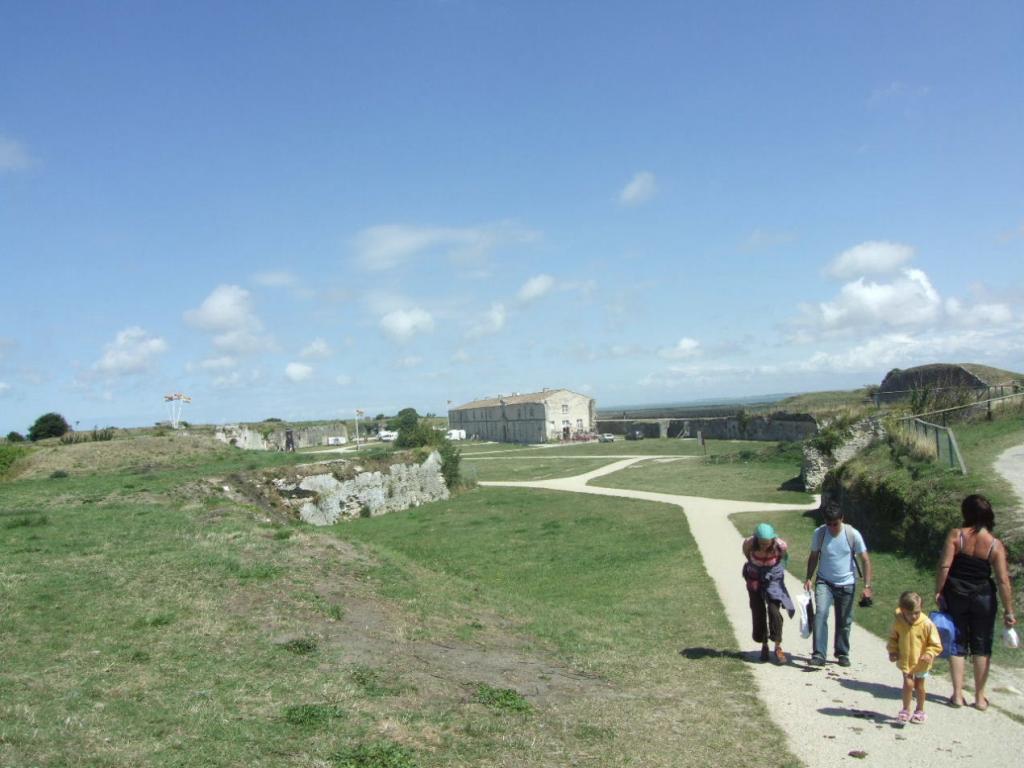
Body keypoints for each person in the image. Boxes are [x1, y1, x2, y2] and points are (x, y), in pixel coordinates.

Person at [935, 494, 1018, 710]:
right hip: (983, 596)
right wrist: (1009, 610)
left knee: (958, 641)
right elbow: (1002, 580)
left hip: (956, 593)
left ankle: (956, 694)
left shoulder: (956, 535)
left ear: (966, 513)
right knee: (982, 645)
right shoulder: (995, 545)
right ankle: (980, 697)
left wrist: (939, 591)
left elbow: (945, 566)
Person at [804, 500, 873, 667]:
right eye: (829, 524)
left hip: (847, 583)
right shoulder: (820, 533)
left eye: (835, 524)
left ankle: (842, 653)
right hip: (824, 581)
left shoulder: (852, 534)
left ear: (842, 518)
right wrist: (808, 578)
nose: (833, 527)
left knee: (844, 621)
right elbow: (814, 556)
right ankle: (819, 654)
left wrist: (867, 586)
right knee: (820, 614)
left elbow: (865, 560)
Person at [887, 591, 943, 724]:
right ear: (902, 610)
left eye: (917, 612)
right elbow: (893, 639)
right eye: (909, 613)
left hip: (921, 662)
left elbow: (935, 644)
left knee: (919, 686)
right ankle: (905, 709)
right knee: (907, 684)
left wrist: (929, 653)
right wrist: (893, 651)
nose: (913, 616)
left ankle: (920, 710)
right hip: (906, 659)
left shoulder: (927, 624)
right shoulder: (899, 623)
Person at [742, 523, 794, 663]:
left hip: (773, 577)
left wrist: (777, 573)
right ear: (756, 539)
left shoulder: (780, 545)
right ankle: (764, 644)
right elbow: (746, 553)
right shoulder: (749, 543)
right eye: (762, 543)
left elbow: (784, 559)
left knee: (774, 611)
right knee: (758, 611)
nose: (765, 546)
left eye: (767, 543)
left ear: (773, 539)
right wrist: (755, 566)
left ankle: (777, 645)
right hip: (754, 577)